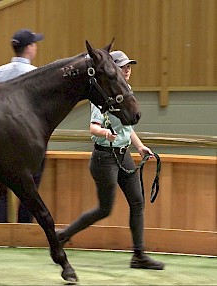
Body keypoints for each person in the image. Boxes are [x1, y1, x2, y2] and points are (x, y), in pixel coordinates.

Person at [56, 50, 165, 270]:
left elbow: (128, 128)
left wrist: (140, 146)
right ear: (112, 69)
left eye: (129, 66)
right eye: (123, 66)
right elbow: (92, 127)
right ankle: (63, 235)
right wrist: (105, 134)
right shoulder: (103, 94)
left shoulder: (125, 93)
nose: (127, 70)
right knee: (104, 209)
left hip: (123, 154)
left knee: (137, 201)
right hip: (104, 158)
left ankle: (139, 255)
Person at [0, 28, 45, 223]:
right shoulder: (35, 74)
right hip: (24, 143)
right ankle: (23, 226)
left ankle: (0, 228)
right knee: (30, 186)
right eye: (34, 44)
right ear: (29, 48)